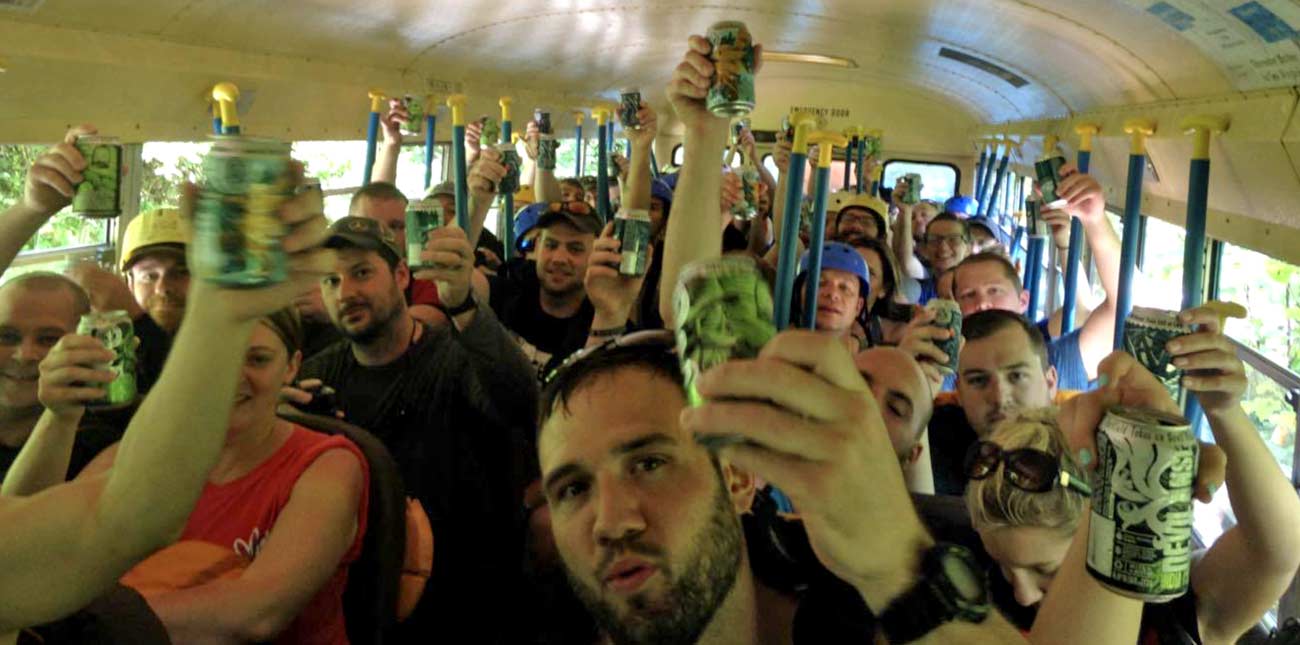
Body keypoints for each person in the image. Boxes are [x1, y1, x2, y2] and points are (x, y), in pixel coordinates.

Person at [0, 161, 335, 638]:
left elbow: (116, 521)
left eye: (183, 272)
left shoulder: (322, 460)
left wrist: (219, 315)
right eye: (149, 273)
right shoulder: (107, 422)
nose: (25, 354)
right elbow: (112, 522)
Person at [23, 309, 369, 644]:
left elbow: (256, 614)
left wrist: (83, 626)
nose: (232, 375)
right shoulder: (147, 454)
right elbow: (39, 555)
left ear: (291, 367)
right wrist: (59, 417)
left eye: (257, 359)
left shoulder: (328, 465)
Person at [966, 316, 1300, 643]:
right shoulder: (977, 604)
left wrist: (1224, 411)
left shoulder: (1169, 613)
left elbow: (1276, 551)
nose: (1022, 595)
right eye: (1005, 570)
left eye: (1046, 571)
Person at [288, 215, 536, 643]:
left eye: (361, 273)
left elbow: (517, 399)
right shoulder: (315, 377)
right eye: (330, 281)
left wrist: (463, 306)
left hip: (461, 601)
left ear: (402, 275)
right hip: (357, 597)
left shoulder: (454, 360)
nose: (345, 293)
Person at [0, 273, 120, 482]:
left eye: (48, 339)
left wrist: (61, 416)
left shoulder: (97, 446)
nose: (25, 355)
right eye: (7, 336)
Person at [488, 201, 603, 376]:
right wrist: (479, 201)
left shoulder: (602, 323)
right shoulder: (510, 290)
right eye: (551, 245)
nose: (559, 258)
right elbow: (454, 285)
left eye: (575, 249)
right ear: (538, 246)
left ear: (596, 255)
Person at [790, 242, 872, 347]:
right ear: (798, 293)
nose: (832, 294)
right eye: (819, 283)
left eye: (844, 288)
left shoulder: (873, 360)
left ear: (859, 306)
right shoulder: (772, 349)